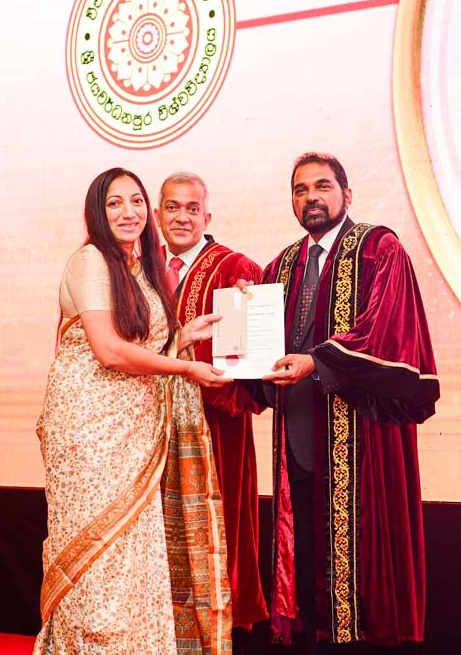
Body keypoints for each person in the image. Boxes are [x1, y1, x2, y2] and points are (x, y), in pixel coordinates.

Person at [33, 168, 233, 655]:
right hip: (88, 432)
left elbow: (140, 343)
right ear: (97, 213)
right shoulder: (90, 261)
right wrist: (186, 369)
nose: (129, 213)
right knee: (97, 552)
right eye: (115, 203)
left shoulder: (140, 268)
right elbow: (109, 351)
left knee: (135, 551)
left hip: (135, 433)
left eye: (137, 201)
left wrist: (185, 336)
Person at [251, 152, 440, 653]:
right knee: (305, 556)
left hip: (360, 440)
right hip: (297, 437)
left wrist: (317, 362)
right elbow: (263, 353)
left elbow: (385, 331)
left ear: (347, 194)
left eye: (322, 186)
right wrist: (240, 340)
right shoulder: (280, 266)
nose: (311, 197)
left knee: (363, 562)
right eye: (300, 189)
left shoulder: (379, 249)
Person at [155, 172, 268, 644]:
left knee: (215, 534)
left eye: (192, 208)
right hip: (150, 426)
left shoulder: (233, 268)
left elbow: (253, 363)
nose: (182, 217)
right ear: (158, 214)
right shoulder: (140, 269)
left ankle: (215, 633)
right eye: (172, 207)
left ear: (207, 215)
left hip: (213, 424)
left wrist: (215, 386)